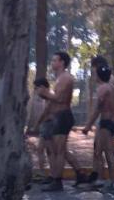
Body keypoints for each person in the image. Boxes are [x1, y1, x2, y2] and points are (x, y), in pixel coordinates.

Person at [37, 52, 90, 191]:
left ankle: (57, 181)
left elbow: (59, 98)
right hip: (58, 117)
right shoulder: (59, 78)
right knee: (58, 150)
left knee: (59, 151)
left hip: (62, 116)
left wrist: (45, 93)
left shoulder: (65, 78)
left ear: (62, 62)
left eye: (55, 60)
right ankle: (78, 173)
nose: (52, 62)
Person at [83, 63, 114, 193]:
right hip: (112, 122)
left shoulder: (102, 88)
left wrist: (88, 125)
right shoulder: (113, 88)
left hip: (105, 123)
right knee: (98, 151)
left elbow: (98, 108)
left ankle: (113, 182)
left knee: (108, 152)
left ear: (98, 75)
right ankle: (101, 178)